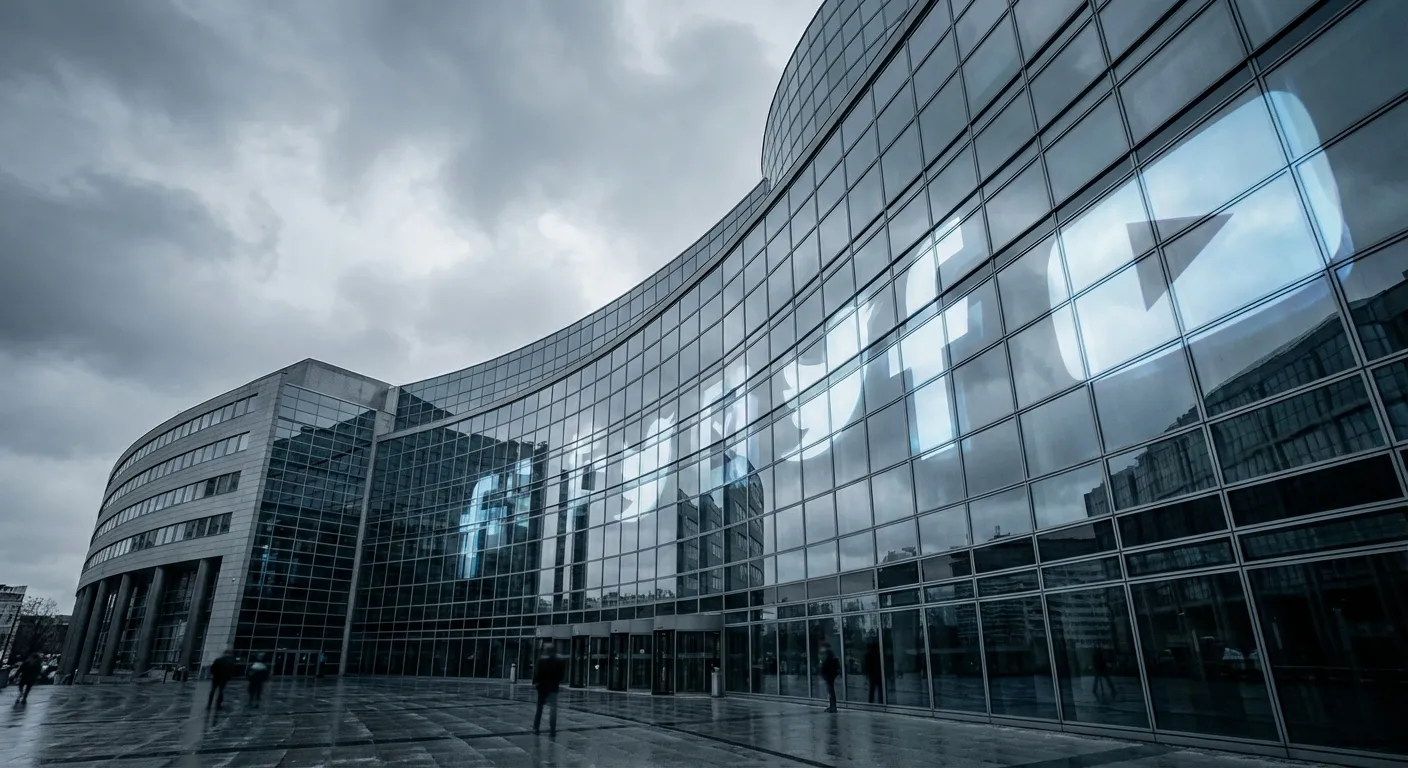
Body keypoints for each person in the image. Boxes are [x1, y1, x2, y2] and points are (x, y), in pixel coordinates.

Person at [531, 642, 565, 736]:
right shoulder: (559, 661)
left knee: (539, 709)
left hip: (542, 687)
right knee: (553, 710)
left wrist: (536, 683)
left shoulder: (541, 660)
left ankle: (536, 727)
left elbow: (537, 673)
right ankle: (552, 729)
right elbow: (561, 675)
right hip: (553, 687)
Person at [819, 642, 840, 713]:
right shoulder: (831, 654)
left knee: (830, 691)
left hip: (828, 674)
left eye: (822, 647)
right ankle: (832, 706)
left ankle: (833, 707)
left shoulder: (826, 654)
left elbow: (823, 664)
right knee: (830, 691)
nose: (821, 649)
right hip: (831, 674)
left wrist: (822, 673)